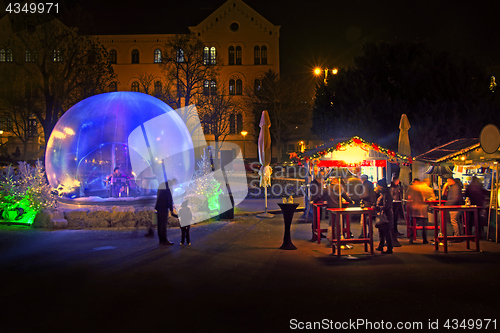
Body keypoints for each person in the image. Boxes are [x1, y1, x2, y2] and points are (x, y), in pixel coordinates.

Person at [407, 178, 434, 244]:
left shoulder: (412, 187)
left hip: (414, 207)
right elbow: (432, 197)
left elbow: (407, 195)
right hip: (423, 208)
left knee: (413, 224)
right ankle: (424, 239)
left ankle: (411, 238)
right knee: (424, 225)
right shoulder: (428, 189)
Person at [155, 179, 177, 245]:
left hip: (159, 207)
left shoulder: (162, 184)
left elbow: (158, 194)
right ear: (174, 183)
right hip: (164, 207)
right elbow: (169, 199)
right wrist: (171, 210)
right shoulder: (169, 187)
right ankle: (164, 240)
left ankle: (161, 239)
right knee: (163, 224)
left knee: (159, 224)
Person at [375, 178, 394, 253]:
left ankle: (389, 248)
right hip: (383, 215)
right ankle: (381, 245)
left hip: (386, 215)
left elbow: (386, 206)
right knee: (381, 231)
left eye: (378, 185)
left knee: (386, 231)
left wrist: (377, 207)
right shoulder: (383, 193)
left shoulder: (386, 194)